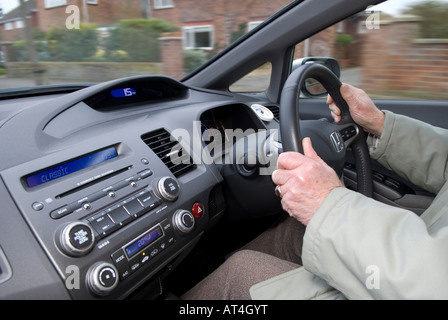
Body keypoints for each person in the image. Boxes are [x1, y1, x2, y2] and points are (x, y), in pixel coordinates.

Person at [181, 83, 448, 300]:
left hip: (411, 282)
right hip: (415, 257)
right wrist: (378, 124)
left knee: (239, 274)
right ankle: (207, 271)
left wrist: (329, 203)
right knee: (297, 230)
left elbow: (431, 284)